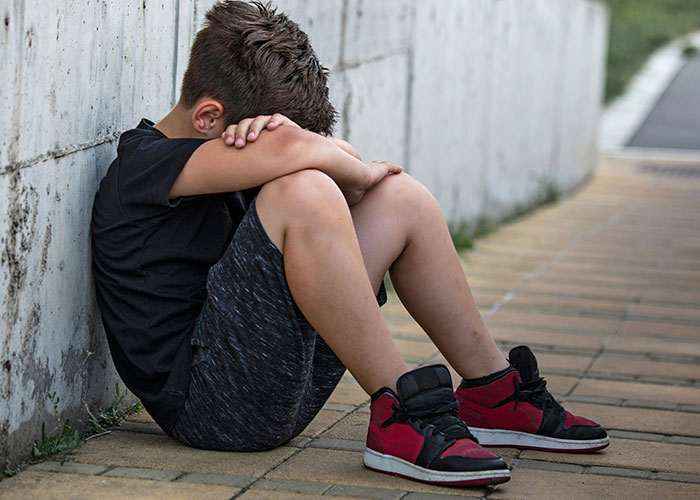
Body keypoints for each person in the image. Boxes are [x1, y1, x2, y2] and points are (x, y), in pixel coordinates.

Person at [91, 0, 609, 488]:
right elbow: (312, 164)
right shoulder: (141, 168)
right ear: (207, 118)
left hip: (282, 376)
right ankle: (402, 409)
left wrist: (329, 159)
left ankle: (494, 392)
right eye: (262, 134)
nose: (272, 145)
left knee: (401, 197)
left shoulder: (226, 154)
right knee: (304, 188)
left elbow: (316, 155)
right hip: (213, 407)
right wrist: (343, 167)